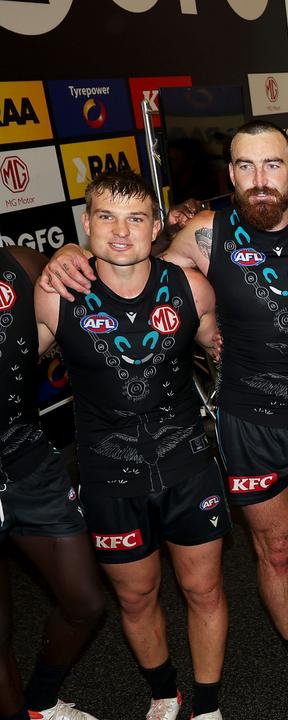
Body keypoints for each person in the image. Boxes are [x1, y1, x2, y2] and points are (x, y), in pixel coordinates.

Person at [38, 120, 288, 720]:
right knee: (275, 549)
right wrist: (68, 253)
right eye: (246, 168)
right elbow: (126, 260)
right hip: (245, 419)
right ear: (231, 175)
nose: (260, 181)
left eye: (273, 165)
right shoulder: (205, 234)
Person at [34, 172, 229, 720]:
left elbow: (227, 356)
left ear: (156, 227)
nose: (121, 232)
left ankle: (208, 707)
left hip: (188, 466)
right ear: (86, 224)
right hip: (108, 477)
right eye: (106, 218)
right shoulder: (59, 295)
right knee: (137, 597)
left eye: (135, 218)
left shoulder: (190, 288)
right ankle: (165, 696)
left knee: (204, 590)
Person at [0, 246, 106, 720]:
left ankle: (40, 699)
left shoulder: (16, 263)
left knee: (84, 601)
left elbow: (78, 290)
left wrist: (67, 255)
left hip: (28, 460)